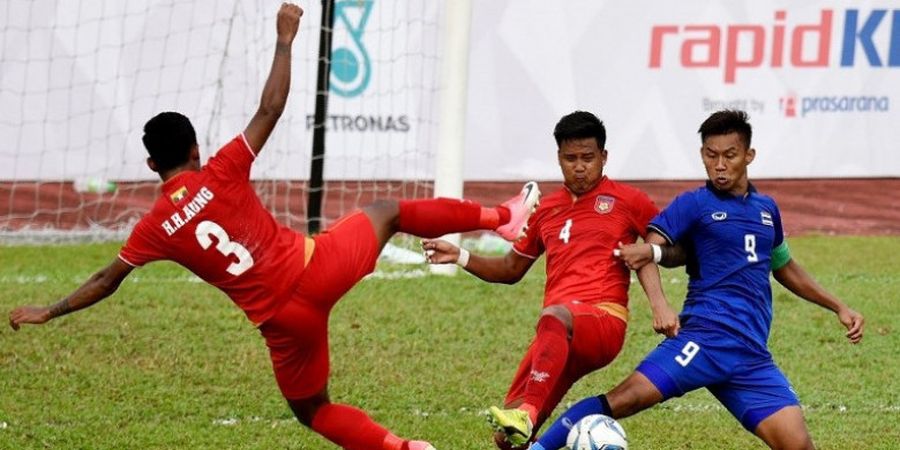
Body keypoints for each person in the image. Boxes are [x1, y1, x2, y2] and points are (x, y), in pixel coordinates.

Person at [7, 4, 542, 450]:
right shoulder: (221, 169)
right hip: (320, 267)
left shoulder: (154, 227)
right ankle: (501, 218)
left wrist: (49, 311)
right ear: (195, 149)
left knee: (314, 410)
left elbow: (107, 279)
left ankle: (403, 448)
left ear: (151, 167)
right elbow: (272, 106)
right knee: (388, 212)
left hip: (284, 324)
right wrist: (285, 39)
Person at [530, 109, 865, 450]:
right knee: (623, 399)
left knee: (798, 445)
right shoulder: (693, 204)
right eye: (711, 155)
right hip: (703, 339)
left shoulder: (767, 210)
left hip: (750, 355)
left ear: (748, 155)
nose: (719, 164)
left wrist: (838, 306)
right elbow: (651, 251)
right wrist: (660, 299)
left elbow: (784, 266)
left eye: (729, 155)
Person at [422, 111, 679, 449]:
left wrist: (660, 305)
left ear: (604, 157)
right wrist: (461, 256)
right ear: (558, 158)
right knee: (507, 440)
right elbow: (511, 270)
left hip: (601, 322)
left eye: (588, 158)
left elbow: (665, 249)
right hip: (555, 336)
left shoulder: (629, 201)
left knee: (554, 318)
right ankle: (530, 427)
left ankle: (527, 413)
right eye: (570, 158)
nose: (580, 166)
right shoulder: (546, 209)